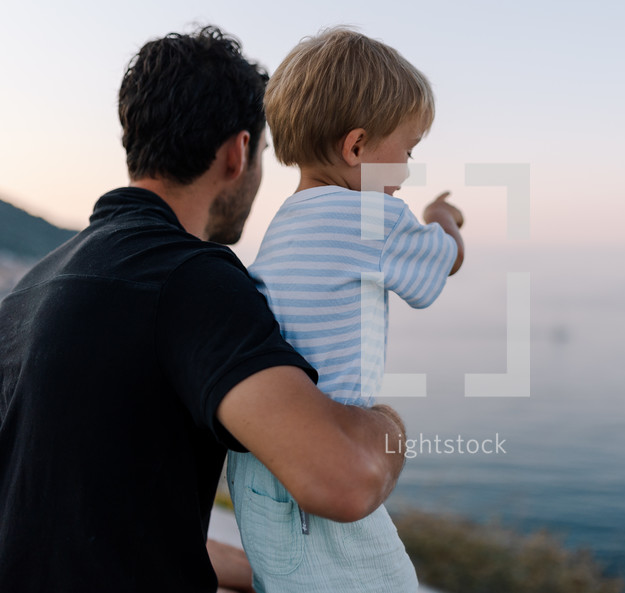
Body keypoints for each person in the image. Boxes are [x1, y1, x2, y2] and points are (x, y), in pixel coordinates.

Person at [0, 26, 406, 593]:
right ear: (239, 152)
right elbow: (343, 480)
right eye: (264, 153)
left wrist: (250, 570)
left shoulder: (29, 289)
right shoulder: (191, 278)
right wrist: (389, 427)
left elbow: (73, 523)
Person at [227, 27, 465, 593]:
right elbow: (444, 263)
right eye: (406, 152)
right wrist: (443, 217)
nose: (405, 173)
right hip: (326, 453)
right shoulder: (370, 218)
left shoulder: (286, 221)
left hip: (260, 461)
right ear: (357, 148)